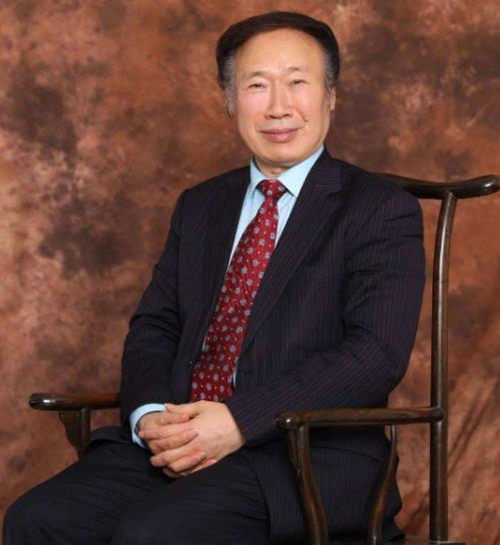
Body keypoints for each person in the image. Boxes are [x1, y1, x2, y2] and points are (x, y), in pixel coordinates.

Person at [4, 11, 425, 545]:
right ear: (229, 100)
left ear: (331, 95)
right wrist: (150, 416)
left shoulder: (378, 208)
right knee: (36, 518)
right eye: (256, 85)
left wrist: (239, 420)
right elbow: (155, 326)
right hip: (180, 438)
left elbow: (375, 354)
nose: (278, 106)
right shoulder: (202, 205)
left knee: (151, 534)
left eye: (298, 82)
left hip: (301, 456)